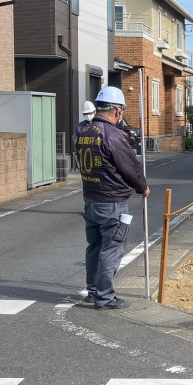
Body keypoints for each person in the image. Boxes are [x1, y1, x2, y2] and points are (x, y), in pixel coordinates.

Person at [76, 86, 150, 309]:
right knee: (112, 248)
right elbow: (130, 167)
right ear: (117, 110)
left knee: (95, 247)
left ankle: (92, 291)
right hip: (112, 201)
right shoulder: (114, 135)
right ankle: (105, 296)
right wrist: (142, 187)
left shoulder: (85, 133)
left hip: (90, 198)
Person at [71, 101, 96, 167]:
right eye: (85, 114)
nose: (88, 115)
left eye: (90, 113)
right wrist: (80, 147)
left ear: (95, 112)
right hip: (84, 154)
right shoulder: (79, 126)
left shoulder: (100, 124)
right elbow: (75, 138)